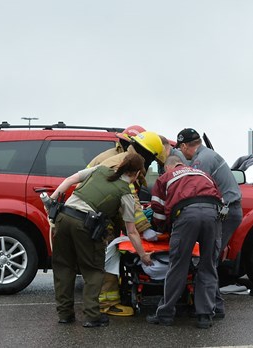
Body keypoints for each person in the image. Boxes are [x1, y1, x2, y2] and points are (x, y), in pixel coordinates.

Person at [49, 153, 153, 328]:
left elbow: (70, 179)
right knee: (93, 270)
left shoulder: (100, 169)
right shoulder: (125, 192)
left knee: (64, 267)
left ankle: (65, 314)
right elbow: (132, 231)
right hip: (85, 225)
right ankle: (92, 316)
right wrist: (143, 255)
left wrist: (51, 200)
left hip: (63, 217)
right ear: (136, 174)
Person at [93, 131, 167, 316]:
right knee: (107, 258)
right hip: (99, 217)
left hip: (94, 212)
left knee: (102, 259)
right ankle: (107, 305)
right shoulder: (124, 164)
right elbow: (131, 201)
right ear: (148, 156)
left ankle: (100, 301)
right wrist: (146, 229)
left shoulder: (120, 157)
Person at [146, 155, 223, 329]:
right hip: (213, 215)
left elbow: (158, 210)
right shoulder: (203, 174)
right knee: (208, 265)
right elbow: (220, 197)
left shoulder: (165, 178)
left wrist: (163, 230)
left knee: (178, 265)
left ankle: (165, 314)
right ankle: (204, 315)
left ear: (168, 167)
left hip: (186, 215)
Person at [174, 128, 243, 319]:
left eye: (181, 148)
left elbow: (195, 190)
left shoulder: (201, 161)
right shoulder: (206, 155)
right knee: (209, 260)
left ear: (186, 146)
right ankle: (215, 306)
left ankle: (208, 309)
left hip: (226, 212)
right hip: (227, 210)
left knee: (208, 260)